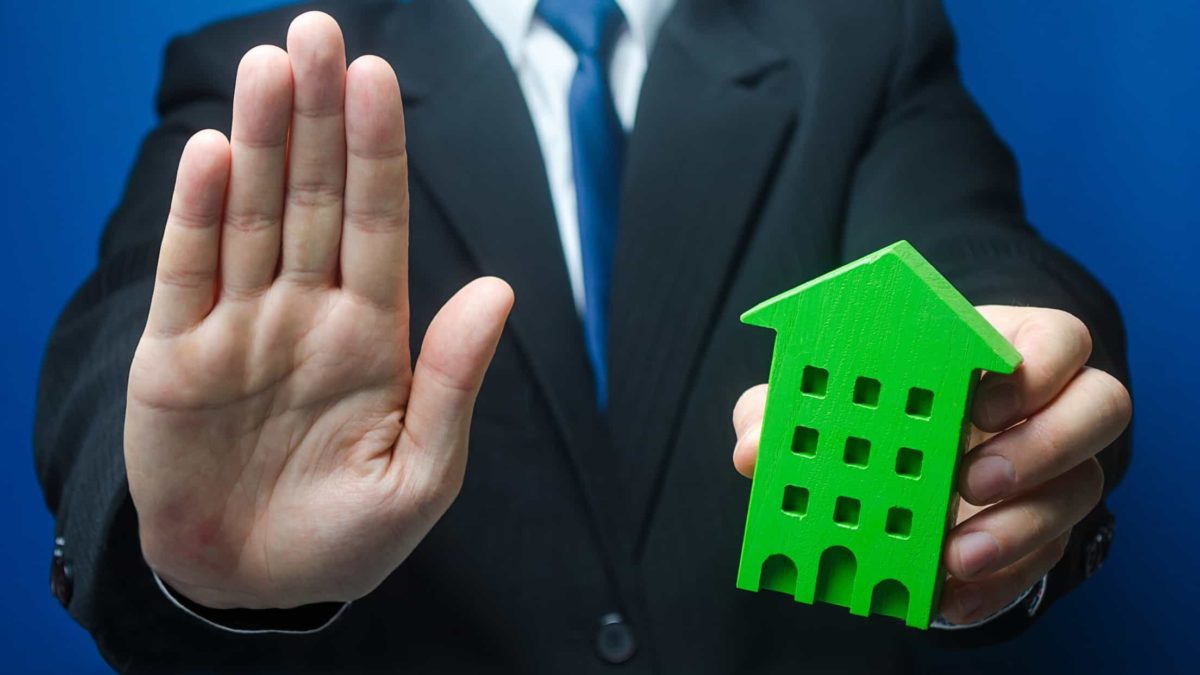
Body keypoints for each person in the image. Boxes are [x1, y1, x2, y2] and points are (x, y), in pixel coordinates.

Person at [35, 0, 1133, 672]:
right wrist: (175, 537)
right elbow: (126, 327)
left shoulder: (864, 37)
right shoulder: (259, 71)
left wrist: (1012, 379)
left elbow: (974, 249)